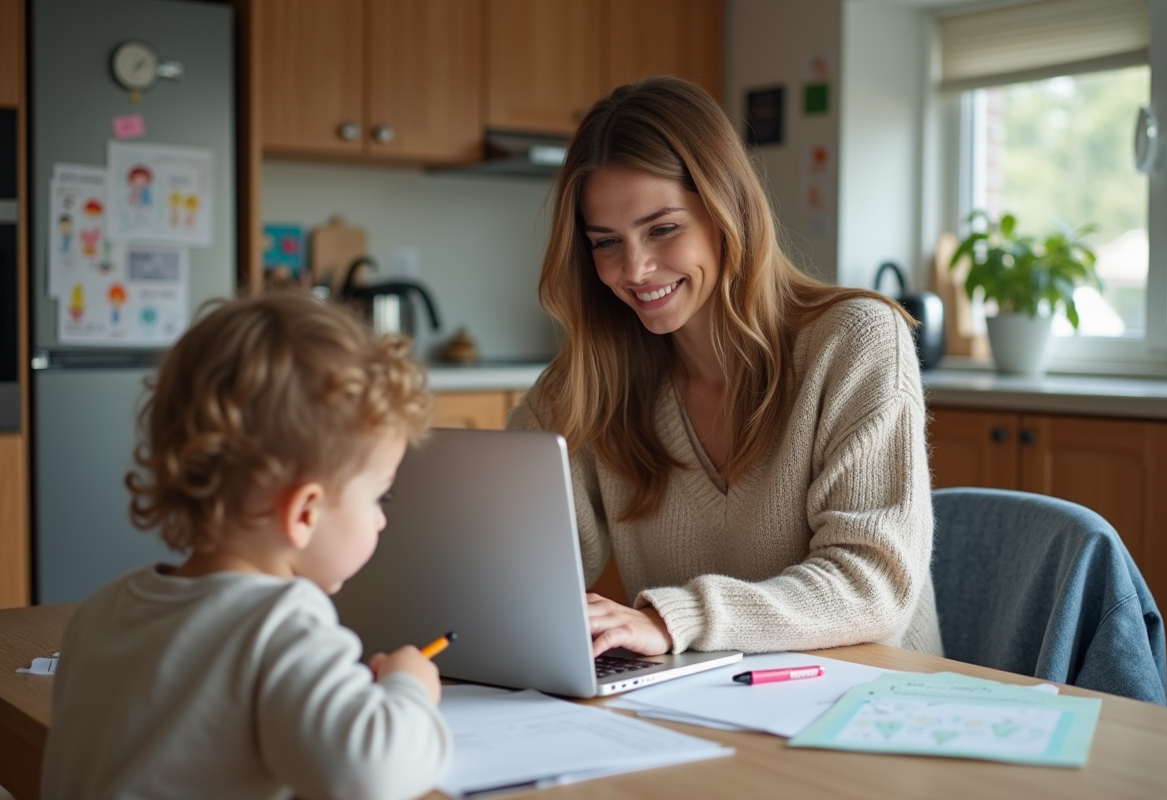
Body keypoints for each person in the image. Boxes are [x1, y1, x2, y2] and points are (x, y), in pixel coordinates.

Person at [508, 76, 943, 660]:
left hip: (868, 707)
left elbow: (872, 585)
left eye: (662, 229)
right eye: (606, 242)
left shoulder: (855, 340)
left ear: (726, 210)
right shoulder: (590, 382)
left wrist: (672, 621)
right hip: (700, 707)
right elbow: (518, 562)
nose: (634, 270)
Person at [41, 291, 453, 800]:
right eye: (379, 496)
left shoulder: (101, 612)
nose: (383, 520)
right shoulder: (283, 622)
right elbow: (373, 776)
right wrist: (411, 687)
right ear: (304, 513)